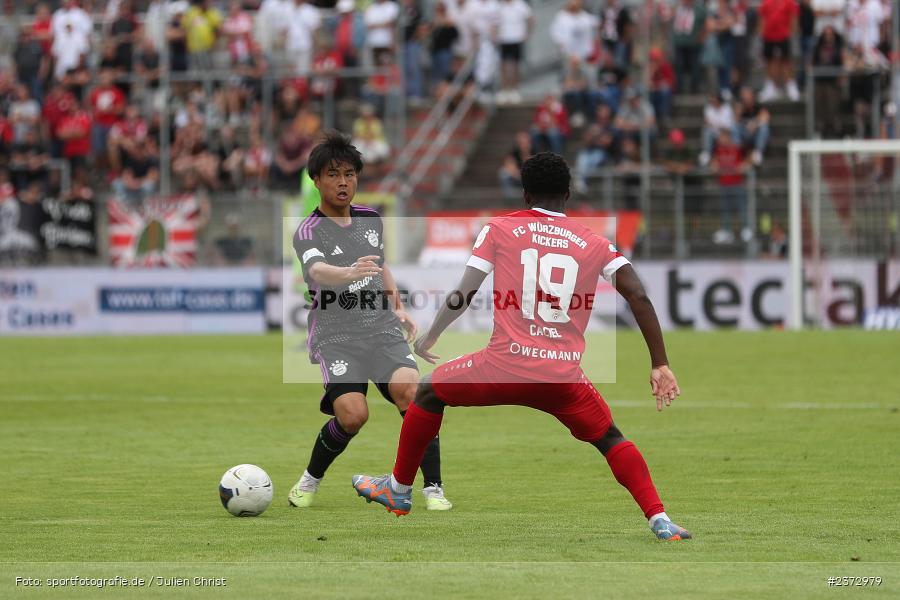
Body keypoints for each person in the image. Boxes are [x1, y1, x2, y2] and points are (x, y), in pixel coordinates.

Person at [351, 152, 690, 541]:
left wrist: (431, 335)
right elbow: (639, 297)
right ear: (568, 191)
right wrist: (659, 363)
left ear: (525, 192)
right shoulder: (595, 242)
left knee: (427, 392)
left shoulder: (500, 228)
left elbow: (464, 294)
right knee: (610, 437)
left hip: (502, 367)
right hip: (562, 379)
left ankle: (398, 489)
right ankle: (659, 519)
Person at [289, 131, 452, 511]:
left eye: (349, 173)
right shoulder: (308, 230)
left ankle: (433, 488)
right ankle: (310, 479)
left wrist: (397, 307)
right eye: (332, 174)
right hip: (336, 335)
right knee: (352, 415)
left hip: (381, 329)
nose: (342, 182)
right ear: (317, 180)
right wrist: (348, 273)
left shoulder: (371, 219)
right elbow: (317, 270)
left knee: (414, 396)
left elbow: (381, 269)